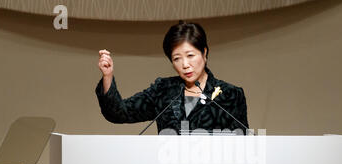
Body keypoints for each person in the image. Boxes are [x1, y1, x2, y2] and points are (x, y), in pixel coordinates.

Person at [95, 21, 249, 135]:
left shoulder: (231, 95)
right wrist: (108, 76)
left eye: (190, 55)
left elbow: (241, 144)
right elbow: (118, 113)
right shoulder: (162, 90)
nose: (185, 64)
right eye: (177, 58)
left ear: (204, 52)